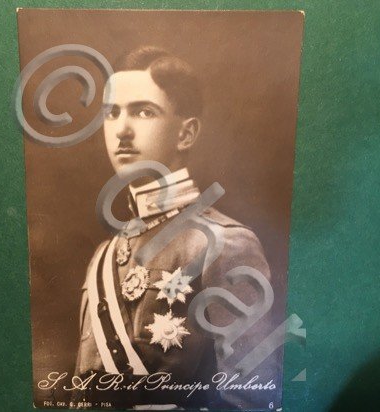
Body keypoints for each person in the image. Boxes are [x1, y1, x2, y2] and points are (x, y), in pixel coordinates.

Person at [72, 46, 279, 409]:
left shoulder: (223, 243)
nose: (121, 130)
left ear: (186, 133)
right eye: (112, 113)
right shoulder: (103, 256)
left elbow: (253, 398)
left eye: (143, 112)